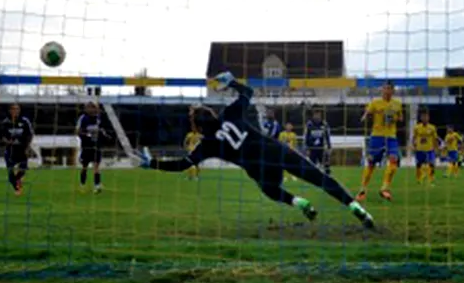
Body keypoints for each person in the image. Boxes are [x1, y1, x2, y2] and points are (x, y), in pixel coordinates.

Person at [140, 72, 374, 228]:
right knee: (320, 178)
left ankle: (299, 202)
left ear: (198, 127)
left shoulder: (208, 143)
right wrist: (232, 82)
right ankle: (357, 208)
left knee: (271, 190)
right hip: (275, 150)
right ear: (212, 114)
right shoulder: (230, 114)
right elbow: (248, 94)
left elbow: (182, 165)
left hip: (258, 168)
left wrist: (152, 163)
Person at [358, 81, 403, 202]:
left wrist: (394, 117)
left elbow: (400, 117)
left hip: (391, 136)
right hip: (377, 136)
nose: (387, 91)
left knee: (394, 159)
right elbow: (368, 112)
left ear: (393, 91)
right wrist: (365, 115)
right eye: (385, 89)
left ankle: (384, 188)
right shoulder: (375, 103)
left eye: (389, 89)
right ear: (382, 90)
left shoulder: (397, 104)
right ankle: (362, 190)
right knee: (371, 163)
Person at [76, 102, 110, 193]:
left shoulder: (98, 118)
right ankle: (82, 184)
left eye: (94, 108)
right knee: (85, 166)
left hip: (96, 146)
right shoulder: (83, 118)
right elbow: (78, 132)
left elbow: (101, 129)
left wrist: (104, 135)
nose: (93, 110)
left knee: (96, 166)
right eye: (91, 108)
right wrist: (87, 135)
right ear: (87, 109)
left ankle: (97, 185)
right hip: (86, 146)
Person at [1, 103, 34, 196]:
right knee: (10, 172)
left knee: (23, 169)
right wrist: (8, 142)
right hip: (10, 150)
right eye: (14, 109)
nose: (16, 111)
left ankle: (18, 180)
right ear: (10, 111)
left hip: (22, 149)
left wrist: (27, 146)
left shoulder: (24, 121)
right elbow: (3, 136)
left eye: (17, 109)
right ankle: (17, 187)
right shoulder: (6, 122)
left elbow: (30, 134)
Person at [412, 110, 439, 185]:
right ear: (421, 118)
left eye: (426, 117)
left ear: (428, 118)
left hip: (430, 149)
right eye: (423, 117)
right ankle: (419, 179)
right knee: (419, 164)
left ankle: (431, 179)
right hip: (419, 149)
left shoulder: (432, 128)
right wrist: (414, 145)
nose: (425, 118)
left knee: (431, 164)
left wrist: (436, 148)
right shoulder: (417, 127)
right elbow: (414, 138)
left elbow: (435, 138)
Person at [304, 109, 332, 175]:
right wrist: (307, 147)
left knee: (326, 162)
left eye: (318, 115)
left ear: (321, 115)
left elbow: (327, 136)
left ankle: (328, 175)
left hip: (321, 148)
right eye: (316, 114)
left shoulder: (324, 124)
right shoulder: (309, 124)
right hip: (312, 148)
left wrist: (329, 146)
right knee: (312, 164)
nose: (317, 116)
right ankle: (312, 176)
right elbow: (306, 136)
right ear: (313, 115)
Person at [183, 116, 202, 181]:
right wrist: (185, 146)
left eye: (194, 128)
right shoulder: (189, 134)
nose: (193, 128)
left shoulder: (199, 135)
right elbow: (185, 141)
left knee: (197, 165)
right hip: (190, 151)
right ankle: (190, 176)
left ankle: (197, 176)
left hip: (196, 152)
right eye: (192, 128)